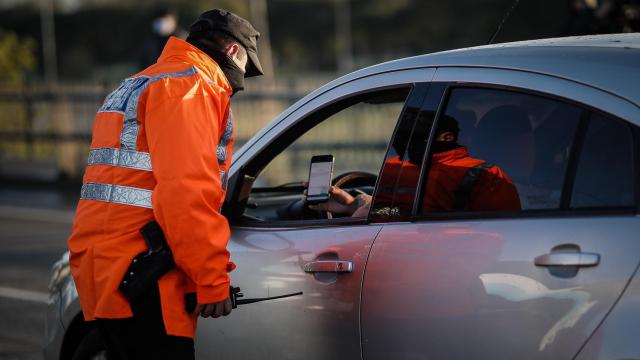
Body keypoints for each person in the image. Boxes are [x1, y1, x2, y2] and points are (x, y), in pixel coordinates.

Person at [67, 9, 263, 359]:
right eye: (248, 65)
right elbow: (186, 193)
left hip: (104, 266)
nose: (241, 79)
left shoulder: (139, 82)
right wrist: (211, 279)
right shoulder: (190, 88)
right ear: (234, 52)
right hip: (146, 276)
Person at [310, 115, 520, 216]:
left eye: (418, 136)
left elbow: (501, 236)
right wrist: (356, 204)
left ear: (447, 137)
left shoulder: (486, 176)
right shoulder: (400, 168)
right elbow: (395, 210)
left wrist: (361, 216)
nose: (407, 145)